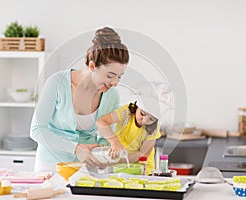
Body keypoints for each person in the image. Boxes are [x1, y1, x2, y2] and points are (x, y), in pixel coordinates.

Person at [30, 27, 129, 172]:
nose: (115, 82)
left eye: (119, 76)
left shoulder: (111, 95)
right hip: (51, 166)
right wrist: (75, 149)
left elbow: (103, 137)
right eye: (110, 75)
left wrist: (104, 154)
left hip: (87, 167)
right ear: (92, 66)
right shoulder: (57, 83)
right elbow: (37, 130)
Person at [96, 101, 160, 175]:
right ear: (136, 107)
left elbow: (142, 154)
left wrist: (115, 161)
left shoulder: (154, 128)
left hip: (144, 168)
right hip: (120, 167)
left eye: (151, 119)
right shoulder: (126, 112)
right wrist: (114, 141)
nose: (144, 121)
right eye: (142, 114)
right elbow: (101, 123)